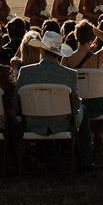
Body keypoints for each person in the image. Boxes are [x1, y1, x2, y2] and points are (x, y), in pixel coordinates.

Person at [16, 31, 96, 169]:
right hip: (62, 123)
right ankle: (85, 161)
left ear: (42, 50)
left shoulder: (25, 72)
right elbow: (75, 105)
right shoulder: (70, 75)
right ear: (59, 53)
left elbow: (16, 104)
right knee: (84, 109)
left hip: (33, 123)